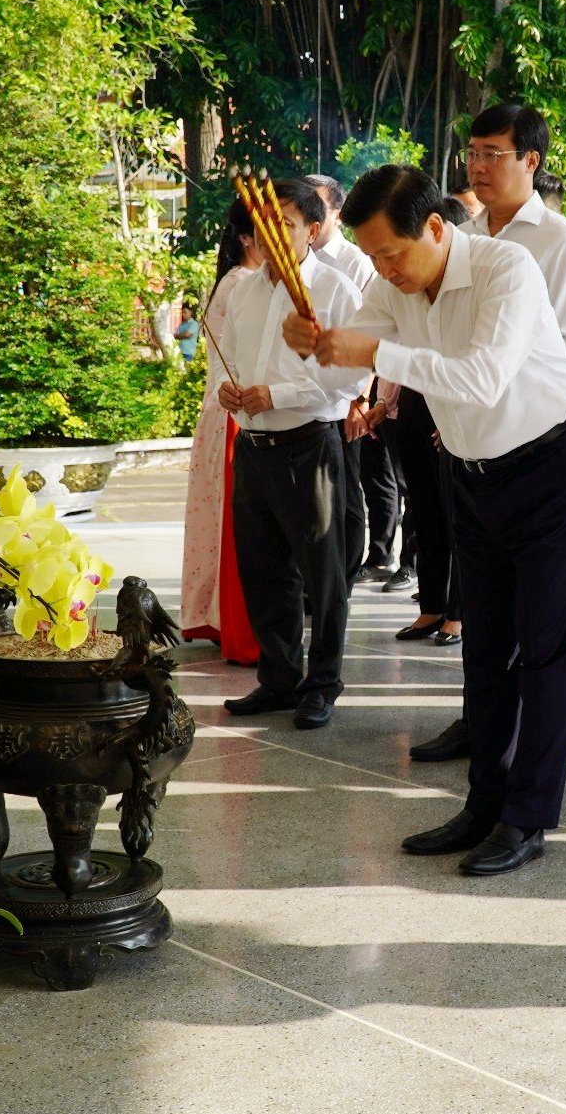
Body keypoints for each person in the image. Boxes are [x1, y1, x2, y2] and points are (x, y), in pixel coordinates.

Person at [286, 164, 566, 876]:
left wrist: (370, 350)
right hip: (475, 474)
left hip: (551, 466)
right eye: (369, 257)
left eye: (391, 255)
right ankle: (483, 802)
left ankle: (528, 817)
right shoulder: (392, 282)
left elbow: (479, 375)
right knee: (484, 646)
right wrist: (310, 338)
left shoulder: (505, 268)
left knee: (547, 647)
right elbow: (343, 362)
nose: (382, 271)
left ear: (435, 227)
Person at [411, 102, 566, 765]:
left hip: (538, 452)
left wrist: (482, 391)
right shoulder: (456, 234)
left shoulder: (557, 244)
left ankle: (528, 790)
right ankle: (482, 751)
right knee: (482, 622)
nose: (478, 164)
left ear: (531, 161)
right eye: (473, 151)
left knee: (541, 630)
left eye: (495, 152)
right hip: (467, 448)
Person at [219, 177, 367, 730]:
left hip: (308, 445)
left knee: (323, 573)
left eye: (284, 223)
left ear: (312, 230)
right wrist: (230, 393)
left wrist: (276, 394)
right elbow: (228, 360)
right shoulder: (245, 290)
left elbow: (349, 375)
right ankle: (279, 677)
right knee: (263, 569)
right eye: (263, 223)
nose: (271, 233)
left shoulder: (333, 290)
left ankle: (323, 682)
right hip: (254, 445)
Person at [307, 172, 407, 587]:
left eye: (315, 205)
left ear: (336, 213)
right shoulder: (295, 264)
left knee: (356, 486)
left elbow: (373, 336)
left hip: (355, 393)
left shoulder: (357, 263)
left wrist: (361, 399)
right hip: (316, 397)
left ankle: (354, 568)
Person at [388, 193, 478, 649]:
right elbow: (387, 344)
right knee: (423, 508)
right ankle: (431, 604)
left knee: (454, 510)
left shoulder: (480, 277)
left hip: (454, 405)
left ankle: (458, 614)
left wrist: (455, 415)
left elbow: (475, 369)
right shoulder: (402, 287)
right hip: (416, 400)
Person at [180, 200, 264, 666]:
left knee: (221, 521)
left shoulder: (236, 280)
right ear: (246, 239)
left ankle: (215, 615)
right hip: (237, 412)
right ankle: (232, 619)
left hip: (222, 411)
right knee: (235, 525)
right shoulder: (245, 285)